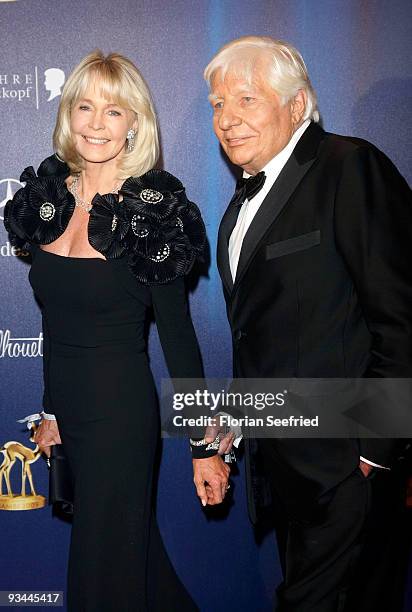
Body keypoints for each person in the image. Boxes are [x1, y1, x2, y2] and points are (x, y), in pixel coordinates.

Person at [192, 36, 412, 611]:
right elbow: (264, 339)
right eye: (218, 104)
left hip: (346, 472)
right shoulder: (239, 208)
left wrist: (374, 451)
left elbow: (401, 317)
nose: (227, 119)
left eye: (246, 99)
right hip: (288, 476)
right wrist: (230, 436)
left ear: (296, 105)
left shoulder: (350, 168)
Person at [5, 50, 212, 612]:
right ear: (68, 114)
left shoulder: (152, 212)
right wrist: (51, 412)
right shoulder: (48, 198)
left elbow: (179, 338)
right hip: (70, 408)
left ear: (135, 123)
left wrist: (204, 444)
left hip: (120, 415)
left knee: (103, 574)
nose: (97, 123)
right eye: (85, 106)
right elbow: (55, 323)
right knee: (136, 564)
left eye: (114, 111)